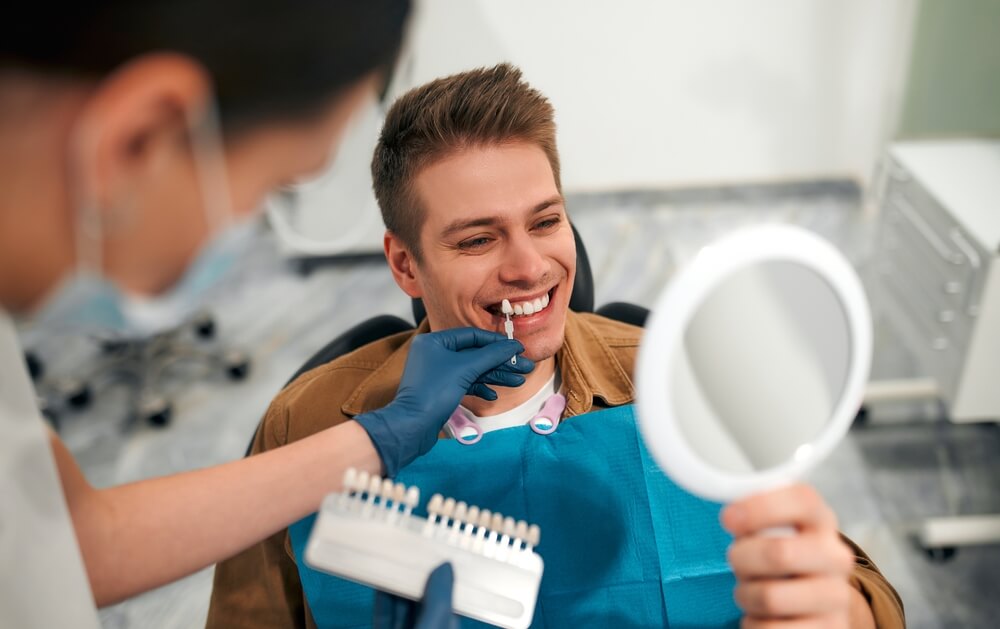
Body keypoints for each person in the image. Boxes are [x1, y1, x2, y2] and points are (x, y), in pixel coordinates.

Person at [209, 64, 905, 628]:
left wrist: (836, 608)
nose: (530, 267)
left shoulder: (682, 383)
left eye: (546, 221)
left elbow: (864, 596)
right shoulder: (307, 426)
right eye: (478, 238)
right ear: (405, 264)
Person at [0, 3, 531, 627]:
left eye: (546, 220)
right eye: (274, 182)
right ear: (137, 139)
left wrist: (377, 439)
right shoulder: (299, 413)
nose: (526, 266)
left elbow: (68, 544)